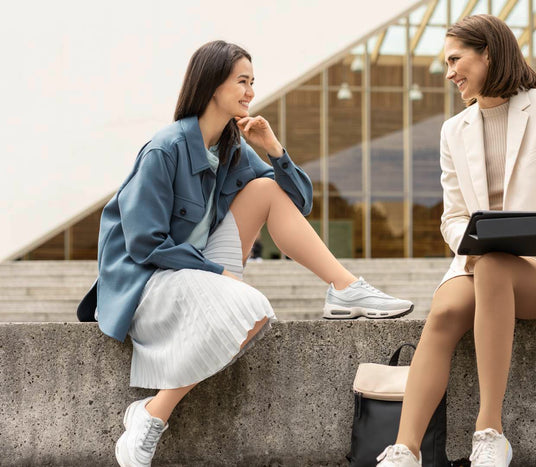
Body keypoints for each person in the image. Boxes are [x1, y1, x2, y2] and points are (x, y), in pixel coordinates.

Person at [78, 40, 414, 467]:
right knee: (253, 309)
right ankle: (150, 415)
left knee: (267, 188)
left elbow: (299, 202)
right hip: (148, 280)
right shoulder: (165, 149)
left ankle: (345, 287)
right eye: (242, 81)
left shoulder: (231, 148)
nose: (251, 92)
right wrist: (218, 270)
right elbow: (145, 244)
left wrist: (275, 150)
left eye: (253, 82)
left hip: (198, 270)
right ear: (212, 84)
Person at [376, 15, 536, 467]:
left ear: (489, 54)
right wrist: (476, 240)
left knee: (497, 266)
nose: (449, 73)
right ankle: (406, 449)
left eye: (455, 59)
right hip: (479, 261)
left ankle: (490, 431)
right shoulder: (453, 130)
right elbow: (453, 217)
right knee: (444, 309)